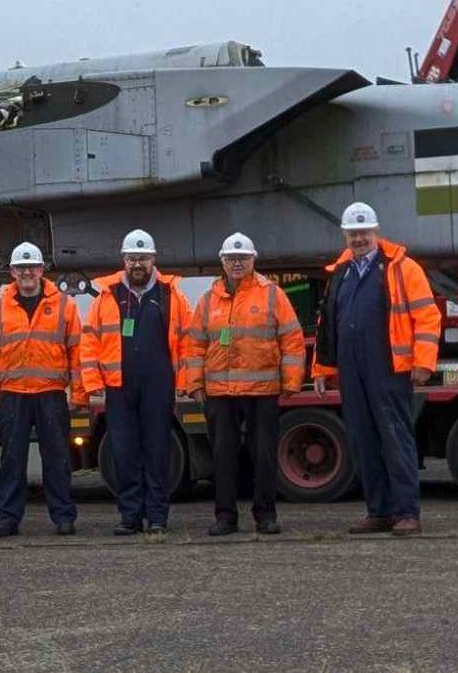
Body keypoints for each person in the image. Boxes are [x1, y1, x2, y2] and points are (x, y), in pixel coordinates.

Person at [311, 202, 441, 537]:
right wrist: (322, 369)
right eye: (353, 234)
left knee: (395, 437)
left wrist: (423, 362)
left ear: (376, 232)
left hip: (389, 366)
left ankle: (406, 512)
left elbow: (427, 317)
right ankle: (379, 511)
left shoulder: (402, 267)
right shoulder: (340, 272)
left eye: (364, 232)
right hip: (351, 368)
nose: (359, 239)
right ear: (345, 235)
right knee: (362, 440)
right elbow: (328, 325)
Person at [184, 233, 305, 536]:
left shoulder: (272, 294)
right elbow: (195, 346)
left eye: (242, 258)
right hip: (220, 393)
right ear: (222, 261)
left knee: (263, 454)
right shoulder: (209, 299)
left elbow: (291, 338)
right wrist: (194, 384)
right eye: (230, 258)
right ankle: (226, 517)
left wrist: (290, 382)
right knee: (223, 456)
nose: (237, 263)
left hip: (261, 392)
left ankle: (265, 515)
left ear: (254, 260)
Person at [82, 229, 192, 535]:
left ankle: (157, 515)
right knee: (124, 451)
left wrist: (184, 381)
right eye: (132, 258)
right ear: (124, 260)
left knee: (157, 450)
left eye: (143, 258)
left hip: (158, 385)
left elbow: (187, 341)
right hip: (119, 386)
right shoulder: (108, 296)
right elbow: (90, 341)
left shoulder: (171, 296)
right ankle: (130, 515)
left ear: (153, 259)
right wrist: (93, 383)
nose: (137, 264)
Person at [0, 241, 85, 538]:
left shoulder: (65, 305)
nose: (27, 272)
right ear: (12, 271)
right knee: (11, 460)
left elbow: (76, 352)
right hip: (12, 395)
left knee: (58, 458)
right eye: (21, 267)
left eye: (32, 266)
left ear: (42, 270)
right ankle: (7, 520)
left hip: (50, 393)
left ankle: (63, 517)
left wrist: (78, 393)